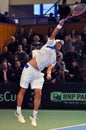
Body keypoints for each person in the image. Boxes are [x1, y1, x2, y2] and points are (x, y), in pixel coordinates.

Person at [15, 19, 64, 127]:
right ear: (55, 43)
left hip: (38, 73)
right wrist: (59, 26)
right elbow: (53, 34)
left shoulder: (55, 58)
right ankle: (18, 112)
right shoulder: (50, 44)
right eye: (59, 42)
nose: (60, 44)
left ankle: (34, 116)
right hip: (29, 69)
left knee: (39, 93)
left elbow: (50, 67)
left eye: (61, 44)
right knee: (23, 90)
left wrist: (48, 74)